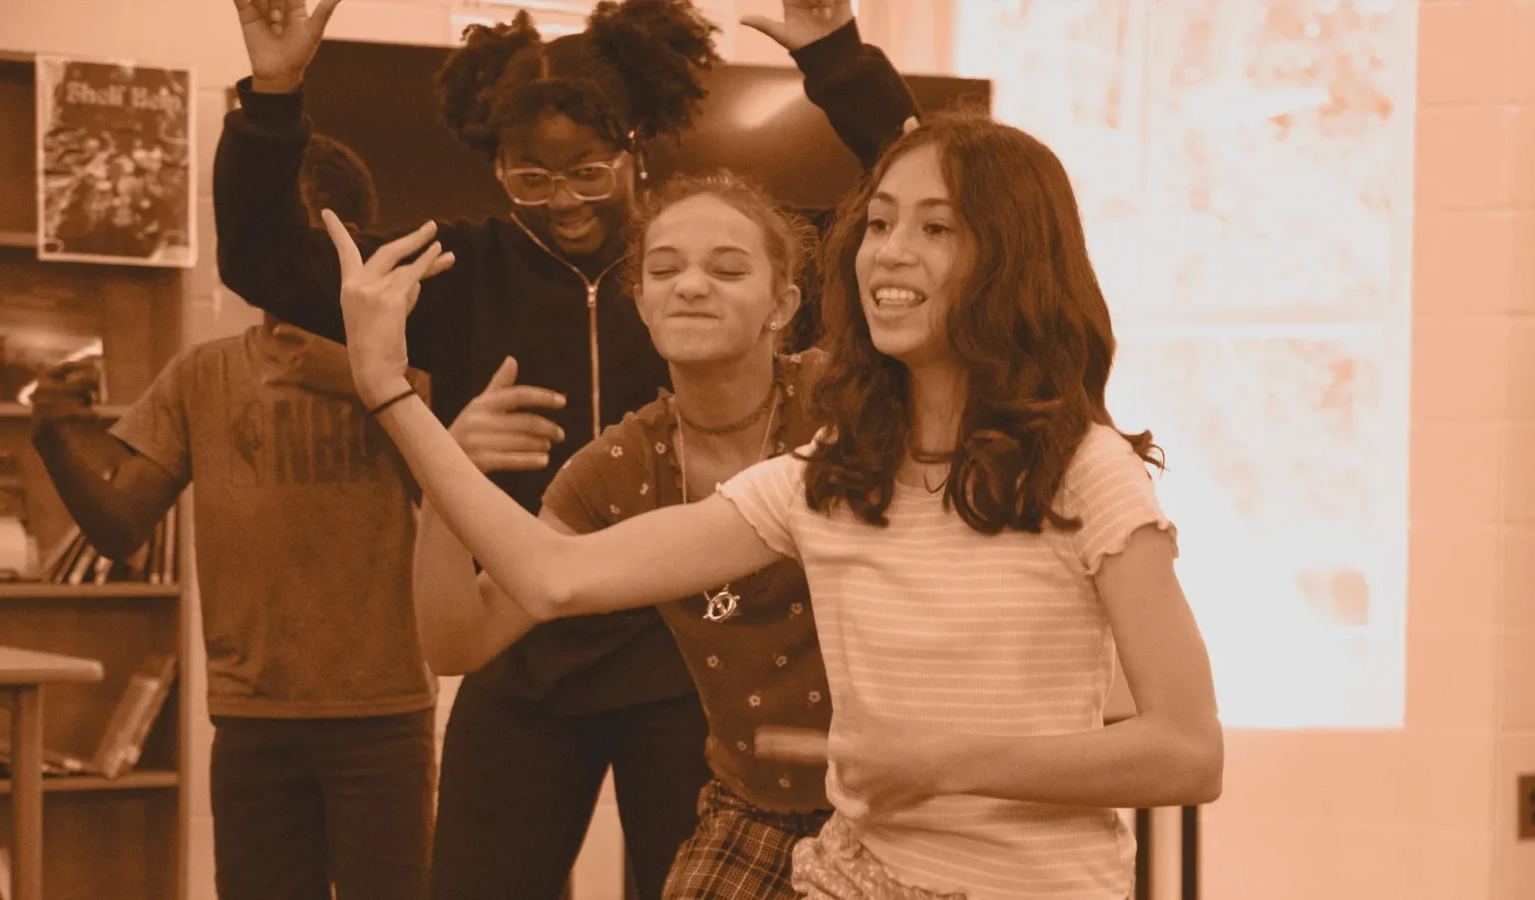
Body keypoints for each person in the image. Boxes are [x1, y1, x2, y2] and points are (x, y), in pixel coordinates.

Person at [327, 111, 1224, 900]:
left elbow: (1187, 752)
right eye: (877, 223)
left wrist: (943, 761)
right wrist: (388, 393)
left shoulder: (1086, 471)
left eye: (937, 226)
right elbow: (551, 578)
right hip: (847, 871)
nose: (890, 249)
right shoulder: (832, 471)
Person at [218, 1, 919, 897]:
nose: (566, 204)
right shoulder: (461, 273)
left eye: (590, 174)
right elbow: (262, 257)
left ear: (635, 149)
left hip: (690, 664)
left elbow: (919, 199)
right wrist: (273, 94)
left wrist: (839, 60)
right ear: (498, 169)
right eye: (531, 181)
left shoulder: (708, 275)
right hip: (522, 641)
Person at [30, 134, 437, 900]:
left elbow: (460, 506)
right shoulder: (203, 373)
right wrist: (52, 439)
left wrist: (360, 376)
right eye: (259, 236)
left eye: (298, 237)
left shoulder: (409, 373)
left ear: (352, 246)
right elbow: (121, 528)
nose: (275, 261)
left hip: (380, 716)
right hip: (253, 719)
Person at [416, 171, 839, 898]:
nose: (691, 286)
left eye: (727, 268)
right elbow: (460, 641)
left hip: (891, 790)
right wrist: (442, 479)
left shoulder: (846, 404)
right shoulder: (619, 464)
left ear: (784, 305)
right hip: (752, 806)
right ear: (640, 302)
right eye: (664, 269)